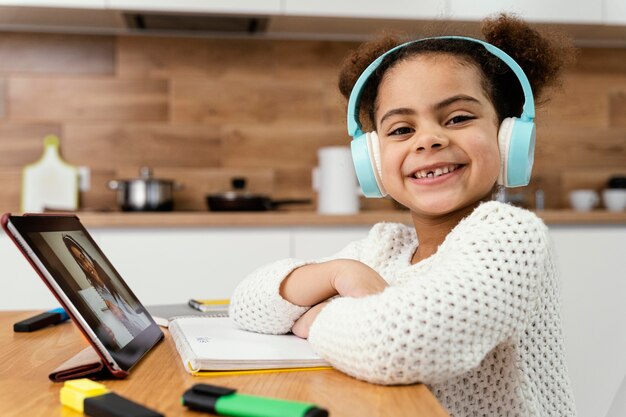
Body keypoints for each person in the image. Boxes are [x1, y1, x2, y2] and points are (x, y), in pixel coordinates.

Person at [229, 14, 577, 416]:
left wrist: (315, 318)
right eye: (400, 129)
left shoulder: (510, 237)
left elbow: (404, 345)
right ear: (373, 160)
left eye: (459, 118)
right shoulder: (387, 247)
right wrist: (335, 273)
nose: (428, 140)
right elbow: (247, 304)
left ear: (508, 136)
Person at [62, 234, 148, 338]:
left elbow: (134, 314)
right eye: (80, 262)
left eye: (83, 258)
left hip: (141, 330)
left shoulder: (109, 281)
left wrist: (122, 314)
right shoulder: (94, 293)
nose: (86, 266)